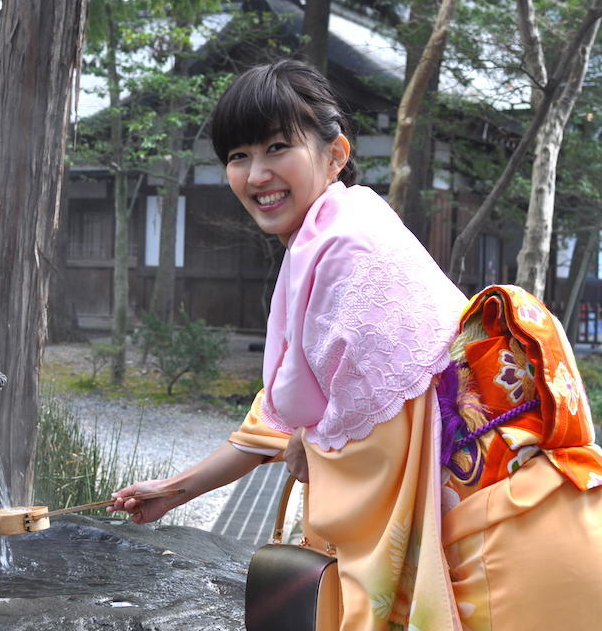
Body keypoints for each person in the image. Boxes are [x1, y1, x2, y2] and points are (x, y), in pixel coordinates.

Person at [108, 59, 602, 630]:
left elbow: (376, 434)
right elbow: (281, 418)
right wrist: (173, 490)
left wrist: (315, 450)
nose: (256, 173)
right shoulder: (335, 231)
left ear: (335, 153)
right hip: (513, 518)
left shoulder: (347, 249)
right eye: (238, 156)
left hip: (502, 550)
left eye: (275, 147)